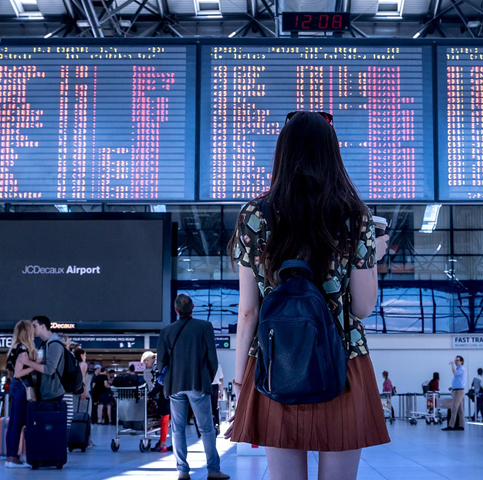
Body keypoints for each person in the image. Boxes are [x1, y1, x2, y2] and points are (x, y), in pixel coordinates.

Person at [225, 111, 390, 480]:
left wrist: (240, 384)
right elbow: (363, 308)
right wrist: (371, 257)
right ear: (332, 154)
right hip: (343, 362)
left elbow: (248, 311)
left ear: (282, 153)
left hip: (274, 361)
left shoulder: (255, 214)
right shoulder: (355, 216)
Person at [157, 294, 229, 480]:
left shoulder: (166, 331)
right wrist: (207, 378)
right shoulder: (204, 327)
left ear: (175, 310)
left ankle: (182, 471)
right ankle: (213, 470)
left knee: (178, 429)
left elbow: (160, 362)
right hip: (198, 383)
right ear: (193, 307)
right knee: (206, 428)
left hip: (174, 385)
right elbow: (212, 359)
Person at [4, 320, 36, 468]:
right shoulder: (23, 349)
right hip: (23, 387)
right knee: (18, 423)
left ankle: (10, 456)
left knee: (12, 423)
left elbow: (11, 373)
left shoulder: (13, 349)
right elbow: (18, 373)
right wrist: (34, 366)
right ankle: (13, 458)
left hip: (15, 388)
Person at [18, 316, 65, 402]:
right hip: (45, 393)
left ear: (43, 326)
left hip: (52, 394)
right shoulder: (45, 344)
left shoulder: (55, 344)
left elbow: (49, 369)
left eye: (34, 326)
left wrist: (27, 362)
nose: (32, 329)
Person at [141, 351, 172, 452]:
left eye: (145, 362)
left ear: (149, 360)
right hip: (171, 393)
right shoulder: (164, 363)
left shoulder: (157, 366)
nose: (146, 365)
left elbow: (159, 382)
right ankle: (166, 442)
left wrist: (151, 394)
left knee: (164, 418)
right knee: (168, 419)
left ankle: (162, 444)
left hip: (164, 395)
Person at [443, 356, 466, 431]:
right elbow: (459, 381)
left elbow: (454, 373)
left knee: (454, 408)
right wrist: (453, 387)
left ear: (461, 362)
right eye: (455, 360)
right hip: (456, 390)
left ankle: (451, 426)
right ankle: (461, 425)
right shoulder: (459, 369)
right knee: (460, 410)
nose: (456, 362)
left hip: (459, 392)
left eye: (457, 360)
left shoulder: (461, 369)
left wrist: (452, 365)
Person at [212, 364, 223, 433]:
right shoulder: (218, 365)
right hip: (214, 387)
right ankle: (216, 425)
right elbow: (221, 380)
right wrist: (220, 392)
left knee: (208, 408)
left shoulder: (202, 362)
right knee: (215, 407)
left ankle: (213, 425)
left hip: (207, 387)